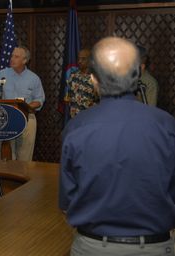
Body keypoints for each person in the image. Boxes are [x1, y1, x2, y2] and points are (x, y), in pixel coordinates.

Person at [59, 37, 175, 256]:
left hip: (92, 247)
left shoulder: (76, 128)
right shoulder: (167, 125)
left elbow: (67, 201)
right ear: (138, 74)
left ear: (93, 80)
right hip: (156, 247)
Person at [0, 46, 45, 161]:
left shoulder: (34, 78)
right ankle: (6, 177)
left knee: (24, 157)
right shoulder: (2, 74)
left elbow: (39, 100)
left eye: (16, 57)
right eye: (12, 55)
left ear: (25, 60)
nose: (12, 58)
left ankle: (22, 176)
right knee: (6, 156)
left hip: (27, 117)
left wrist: (25, 107)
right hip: (5, 118)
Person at [67, 48, 99, 118]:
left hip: (90, 118)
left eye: (83, 59)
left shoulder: (96, 78)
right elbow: (70, 96)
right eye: (78, 59)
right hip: (75, 118)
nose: (79, 61)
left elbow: (101, 100)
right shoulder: (73, 76)